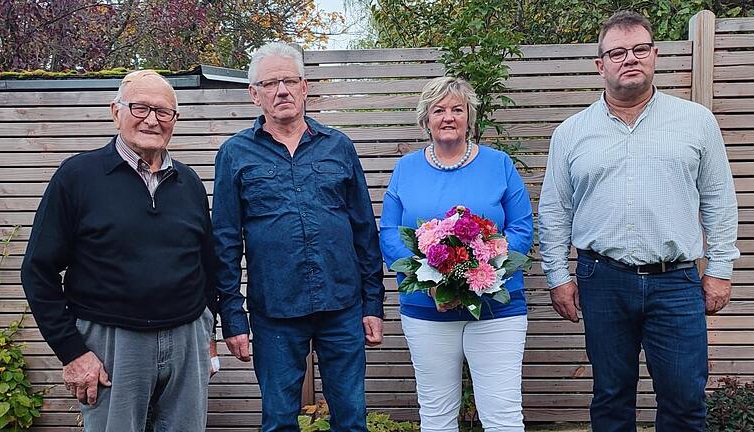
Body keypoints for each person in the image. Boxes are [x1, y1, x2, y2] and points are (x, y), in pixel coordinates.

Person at [538, 11, 739, 432]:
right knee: (611, 399)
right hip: (602, 280)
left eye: (639, 49)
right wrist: (557, 275)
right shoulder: (571, 133)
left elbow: (719, 200)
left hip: (677, 283)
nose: (629, 59)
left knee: (684, 400)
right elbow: (555, 210)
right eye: (617, 52)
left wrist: (720, 269)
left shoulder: (696, 122)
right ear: (600, 64)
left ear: (654, 55)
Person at [21, 70, 218, 432]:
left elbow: (206, 263)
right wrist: (73, 353)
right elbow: (37, 271)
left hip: (187, 338)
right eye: (140, 107)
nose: (152, 119)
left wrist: (208, 334)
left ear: (175, 120)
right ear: (116, 111)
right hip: (112, 345)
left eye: (164, 112)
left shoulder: (188, 183)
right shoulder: (77, 177)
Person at [212, 42, 384, 431]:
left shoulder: (339, 147)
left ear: (305, 87)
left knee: (352, 419)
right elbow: (223, 241)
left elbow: (363, 230)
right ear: (254, 94)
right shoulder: (234, 154)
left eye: (289, 80)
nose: (282, 91)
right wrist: (233, 319)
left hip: (343, 306)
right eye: (270, 83)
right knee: (277, 420)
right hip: (274, 310)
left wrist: (372, 303)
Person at [379, 76, 534, 432]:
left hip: (497, 310)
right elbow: (390, 233)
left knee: (502, 415)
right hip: (426, 311)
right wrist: (430, 284)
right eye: (439, 110)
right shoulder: (406, 169)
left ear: (470, 117)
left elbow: (522, 228)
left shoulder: (499, 165)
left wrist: (478, 279)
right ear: (426, 119)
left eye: (457, 109)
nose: (448, 117)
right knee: (436, 415)